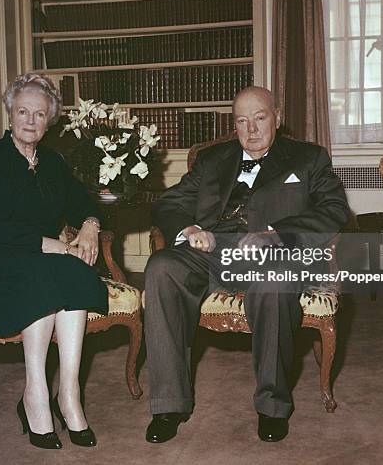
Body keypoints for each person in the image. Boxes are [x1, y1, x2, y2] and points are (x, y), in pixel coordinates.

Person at [144, 86, 349, 444]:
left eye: (260, 118)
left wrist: (276, 234)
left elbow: (334, 212)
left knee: (276, 278)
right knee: (162, 267)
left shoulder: (309, 158)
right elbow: (169, 202)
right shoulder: (212, 160)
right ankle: (169, 403)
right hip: (213, 249)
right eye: (242, 121)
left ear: (277, 117)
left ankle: (271, 406)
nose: (251, 130)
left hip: (272, 253)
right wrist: (189, 229)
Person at [0, 72, 108, 450]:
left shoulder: (52, 162)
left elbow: (81, 201)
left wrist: (89, 226)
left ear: (49, 119)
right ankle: (35, 394)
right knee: (45, 275)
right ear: (10, 114)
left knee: (74, 273)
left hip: (36, 254)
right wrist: (56, 245)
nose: (30, 120)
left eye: (39, 114)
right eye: (23, 111)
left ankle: (68, 394)